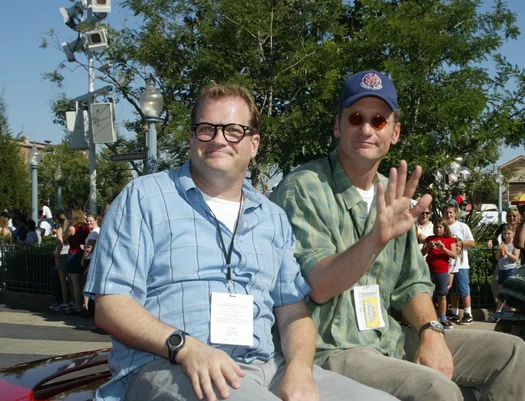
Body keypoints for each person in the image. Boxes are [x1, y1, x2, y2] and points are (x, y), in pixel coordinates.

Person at [83, 83, 396, 401]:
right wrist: (186, 347)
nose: (218, 139)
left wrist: (300, 370)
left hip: (265, 369)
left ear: (254, 143)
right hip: (168, 365)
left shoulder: (271, 217)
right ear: (192, 138)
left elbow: (293, 313)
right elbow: (111, 305)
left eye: (233, 130)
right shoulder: (144, 197)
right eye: (206, 129)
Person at [271, 70, 525, 401]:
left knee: (511, 353)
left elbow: (412, 283)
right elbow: (318, 284)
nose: (367, 129)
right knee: (435, 389)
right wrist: (375, 239)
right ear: (337, 126)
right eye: (355, 118)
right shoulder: (303, 187)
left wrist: (431, 332)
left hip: (389, 337)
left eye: (379, 121)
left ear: (395, 132)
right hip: (333, 349)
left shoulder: (393, 192)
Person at [444, 203, 476, 324]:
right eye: (446, 213)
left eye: (451, 212)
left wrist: (460, 242)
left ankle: (468, 313)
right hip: (449, 263)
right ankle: (454, 312)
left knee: (463, 289)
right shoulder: (444, 227)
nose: (449, 215)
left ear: (455, 214)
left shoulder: (462, 226)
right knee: (452, 290)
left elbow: (472, 243)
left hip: (461, 263)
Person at [421, 218, 457, 328]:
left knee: (442, 295)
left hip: (442, 271)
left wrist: (443, 248)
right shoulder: (429, 239)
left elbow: (454, 255)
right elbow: (421, 253)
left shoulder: (450, 239)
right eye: (436, 227)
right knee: (428, 295)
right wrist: (428, 246)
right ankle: (429, 317)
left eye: (440, 227)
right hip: (429, 270)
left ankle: (442, 317)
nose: (438, 229)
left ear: (445, 228)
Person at [64, 209, 90, 314]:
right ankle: (85, 305)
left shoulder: (72, 228)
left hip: (73, 253)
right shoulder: (86, 228)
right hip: (83, 254)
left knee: (75, 283)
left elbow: (64, 238)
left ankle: (77, 306)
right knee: (83, 282)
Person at [494, 224, 520, 313]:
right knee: (501, 292)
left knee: (510, 293)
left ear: (513, 233)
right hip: (502, 270)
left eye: (508, 233)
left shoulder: (515, 244)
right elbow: (497, 258)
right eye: (505, 234)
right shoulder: (502, 244)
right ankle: (498, 311)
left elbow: (515, 258)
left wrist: (507, 252)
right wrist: (500, 251)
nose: (506, 236)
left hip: (510, 270)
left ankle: (511, 312)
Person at [49, 211, 71, 313]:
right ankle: (71, 302)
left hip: (61, 255)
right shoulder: (68, 228)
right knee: (70, 280)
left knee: (62, 281)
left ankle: (64, 302)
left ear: (57, 220)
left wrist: (56, 256)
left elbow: (60, 243)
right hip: (68, 254)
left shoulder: (59, 230)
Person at [80, 214, 101, 314]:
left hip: (90, 259)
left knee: (86, 284)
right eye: (87, 221)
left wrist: (82, 259)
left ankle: (87, 308)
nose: (89, 223)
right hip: (94, 259)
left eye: (91, 221)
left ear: (96, 220)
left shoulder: (94, 233)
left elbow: (89, 248)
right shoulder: (99, 231)